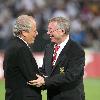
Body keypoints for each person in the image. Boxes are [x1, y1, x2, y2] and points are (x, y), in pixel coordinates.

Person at [28, 16, 85, 100]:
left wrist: (45, 81)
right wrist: (30, 75)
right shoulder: (49, 47)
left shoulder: (76, 50)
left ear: (62, 31)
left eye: (51, 30)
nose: (48, 32)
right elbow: (45, 70)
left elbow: (71, 75)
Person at [3, 15, 42, 100]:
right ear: (24, 32)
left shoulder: (12, 45)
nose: (37, 33)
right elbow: (33, 78)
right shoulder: (21, 48)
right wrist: (48, 81)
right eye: (34, 31)